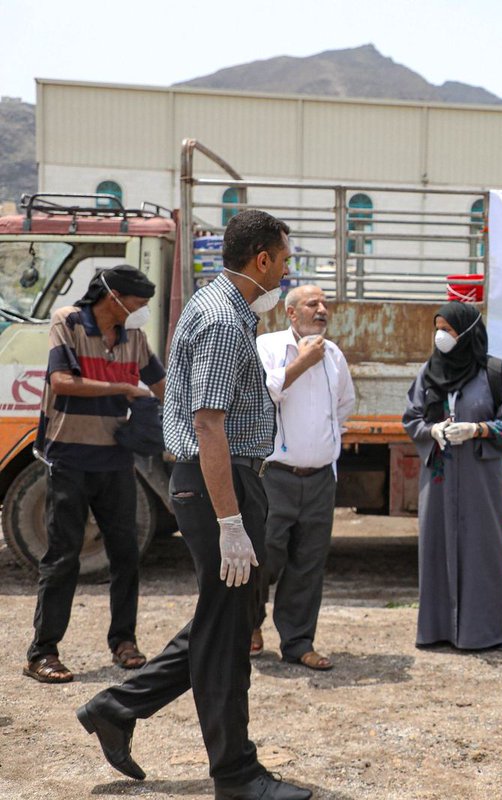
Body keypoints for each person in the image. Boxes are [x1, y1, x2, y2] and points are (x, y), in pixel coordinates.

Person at [75, 210, 311, 800]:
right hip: (218, 483)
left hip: (224, 480)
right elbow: (209, 424)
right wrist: (231, 521)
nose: (285, 272)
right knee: (228, 630)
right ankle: (235, 774)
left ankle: (117, 707)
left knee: (224, 620)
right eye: (283, 261)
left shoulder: (224, 310)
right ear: (261, 260)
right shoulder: (223, 321)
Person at [23, 265, 165, 684]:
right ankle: (42, 653)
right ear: (114, 296)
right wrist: (121, 389)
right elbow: (63, 382)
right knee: (63, 557)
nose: (142, 311)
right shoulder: (67, 322)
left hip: (116, 461)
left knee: (126, 555)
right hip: (69, 460)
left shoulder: (133, 338)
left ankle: (124, 642)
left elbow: (161, 385)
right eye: (139, 302)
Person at [402, 301, 502, 651]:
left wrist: (479, 429)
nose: (441, 336)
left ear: (468, 333)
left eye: (449, 330)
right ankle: (437, 629)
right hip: (439, 479)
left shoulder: (494, 373)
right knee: (435, 546)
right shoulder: (428, 372)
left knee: (484, 549)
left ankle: (486, 632)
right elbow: (412, 418)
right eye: (438, 327)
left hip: (480, 479)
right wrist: (433, 430)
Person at [251, 285, 355, 670]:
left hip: (319, 479)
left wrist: (322, 444)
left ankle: (298, 643)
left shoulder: (334, 355)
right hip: (274, 476)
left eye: (325, 303)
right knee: (264, 555)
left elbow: (345, 404)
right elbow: (262, 395)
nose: (322, 309)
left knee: (308, 563)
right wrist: (302, 362)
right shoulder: (268, 347)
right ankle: (250, 623)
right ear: (291, 314)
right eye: (313, 304)